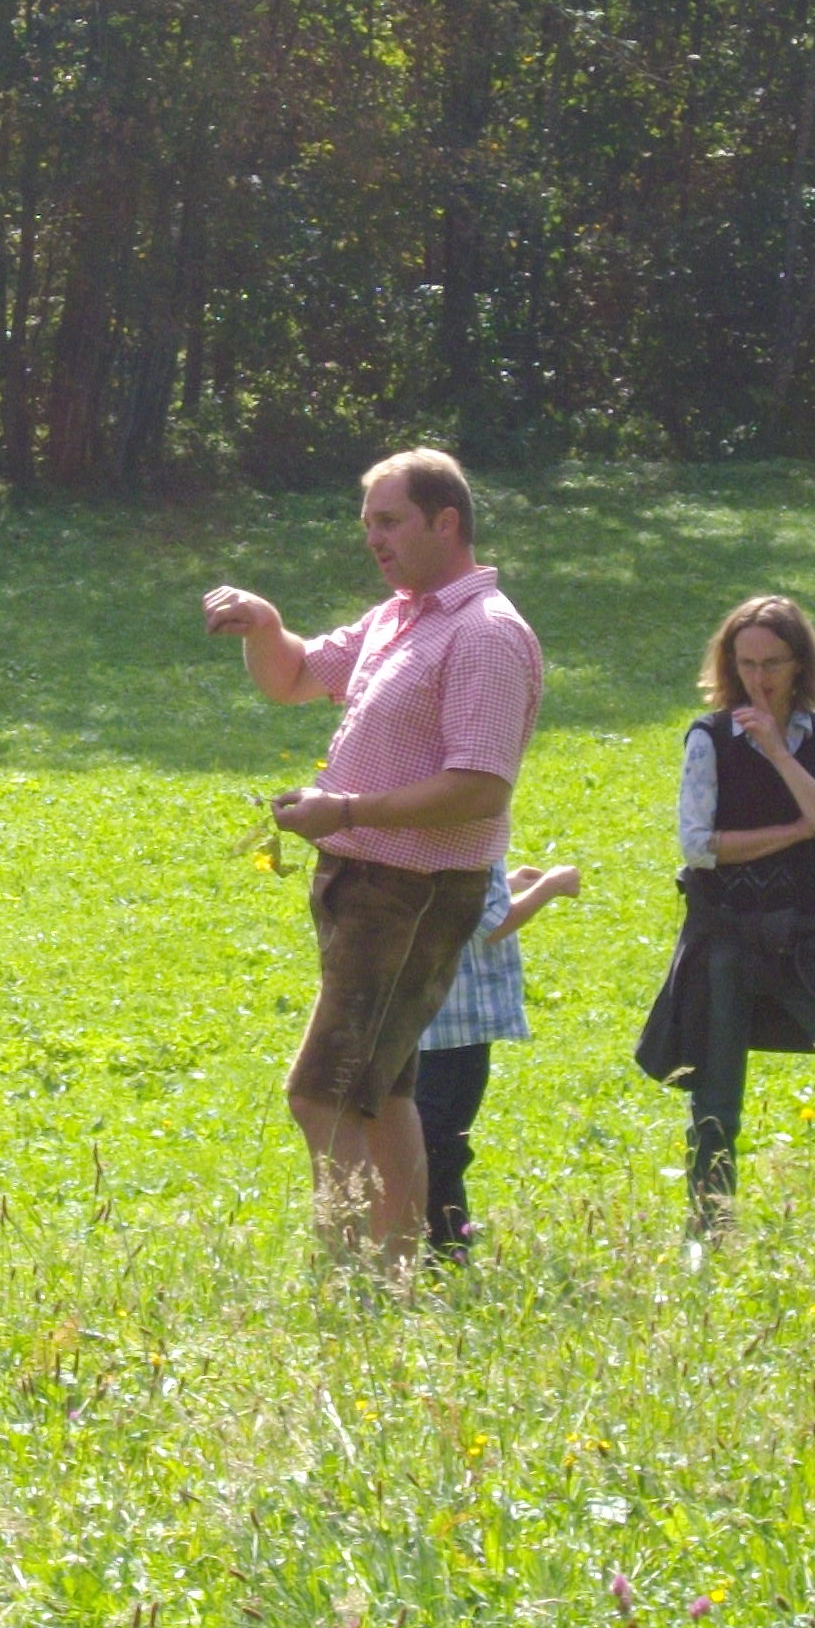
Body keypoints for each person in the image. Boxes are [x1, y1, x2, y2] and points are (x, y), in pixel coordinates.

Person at [201, 448, 544, 1268]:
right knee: (382, 1094)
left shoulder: (485, 634)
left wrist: (345, 811)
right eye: (368, 526)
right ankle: (401, 1271)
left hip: (416, 891)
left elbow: (479, 787)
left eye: (389, 522)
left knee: (321, 1094)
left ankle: (354, 1277)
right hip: (367, 886)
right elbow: (293, 678)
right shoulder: (401, 616)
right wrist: (264, 623)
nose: (374, 540)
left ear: (446, 522)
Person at [633, 596, 815, 1253]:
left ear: (799, 665)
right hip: (723, 938)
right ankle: (709, 1233)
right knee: (715, 1105)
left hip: (802, 938)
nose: (759, 678)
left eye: (774, 664)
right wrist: (795, 827)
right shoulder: (707, 739)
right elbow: (698, 845)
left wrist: (781, 758)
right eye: (747, 662)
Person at [409, 861, 583, 1260]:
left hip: (426, 1016)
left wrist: (506, 884)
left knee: (433, 1129)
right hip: (459, 1022)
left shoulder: (423, 829)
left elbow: (454, 899)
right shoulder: (470, 831)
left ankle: (438, 1237)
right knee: (443, 1140)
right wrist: (551, 886)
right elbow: (494, 922)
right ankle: (448, 1247)